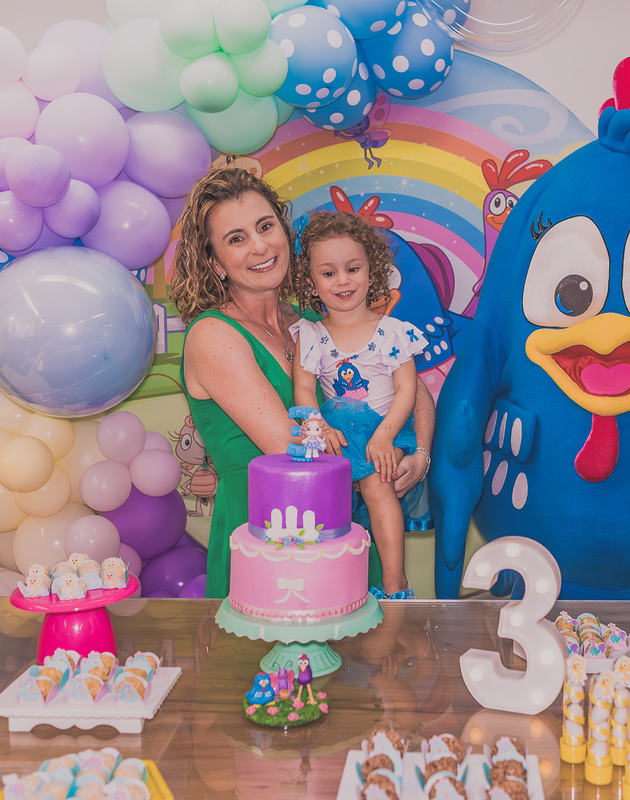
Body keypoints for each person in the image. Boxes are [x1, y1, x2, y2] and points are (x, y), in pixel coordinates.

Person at [168, 168, 434, 599]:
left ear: (283, 231)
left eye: (265, 226)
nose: (259, 246)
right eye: (236, 239)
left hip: (344, 535)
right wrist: (378, 453)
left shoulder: (313, 322)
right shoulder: (214, 336)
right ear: (215, 262)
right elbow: (295, 450)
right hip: (271, 547)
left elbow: (414, 390)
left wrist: (419, 455)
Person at [288, 212, 427, 599]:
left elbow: (407, 391)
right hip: (337, 434)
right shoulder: (311, 334)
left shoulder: (391, 332)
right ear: (311, 282)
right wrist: (317, 425)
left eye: (353, 269)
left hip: (386, 430)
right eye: (328, 273)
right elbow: (304, 388)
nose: (343, 281)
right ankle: (328, 587)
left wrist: (383, 437)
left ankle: (396, 585)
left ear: (371, 271)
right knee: (321, 494)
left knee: (377, 484)